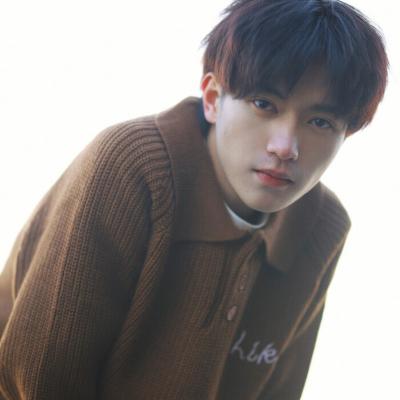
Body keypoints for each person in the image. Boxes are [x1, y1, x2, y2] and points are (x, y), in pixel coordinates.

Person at [0, 0, 388, 399]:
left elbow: (279, 391)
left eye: (320, 122)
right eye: (264, 104)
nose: (285, 146)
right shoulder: (133, 167)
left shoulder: (322, 226)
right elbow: (40, 378)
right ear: (213, 97)